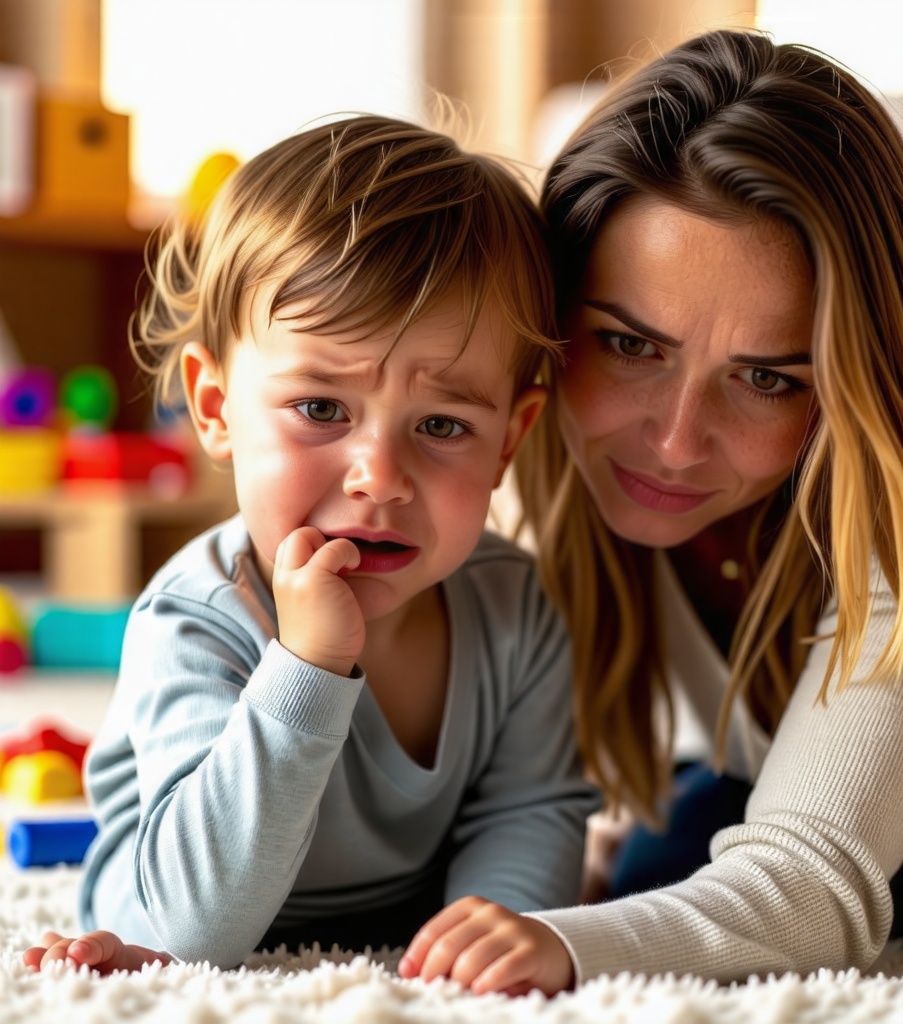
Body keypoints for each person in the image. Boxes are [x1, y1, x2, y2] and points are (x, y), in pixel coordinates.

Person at [396, 28, 903, 995]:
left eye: (768, 377)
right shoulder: (516, 435)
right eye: (630, 345)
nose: (677, 442)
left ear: (852, 379)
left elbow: (813, 879)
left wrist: (571, 946)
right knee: (661, 860)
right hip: (841, 781)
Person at [23, 114, 598, 974]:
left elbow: (530, 814)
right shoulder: (196, 620)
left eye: (442, 424)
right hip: (175, 914)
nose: (379, 475)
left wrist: (486, 939)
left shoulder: (513, 608)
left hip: (392, 916)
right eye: (322, 410)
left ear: (509, 441)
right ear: (214, 410)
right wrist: (308, 665)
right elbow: (197, 928)